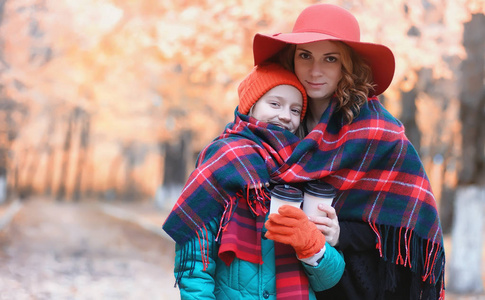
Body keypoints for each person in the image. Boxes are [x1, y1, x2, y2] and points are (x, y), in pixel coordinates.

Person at [252, 4, 445, 300]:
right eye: (305, 56)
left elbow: (405, 223)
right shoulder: (278, 120)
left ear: (348, 66)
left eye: (330, 59)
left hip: (359, 283)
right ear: (292, 59)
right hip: (283, 279)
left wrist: (341, 233)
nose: (315, 71)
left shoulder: (381, 133)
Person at [163, 62, 345, 300]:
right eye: (275, 104)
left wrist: (314, 247)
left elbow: (328, 281)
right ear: (252, 105)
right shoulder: (222, 161)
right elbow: (196, 264)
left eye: (295, 110)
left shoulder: (305, 172)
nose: (284, 116)